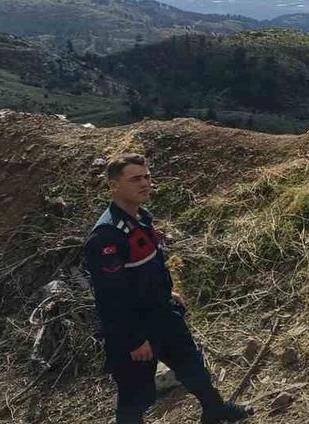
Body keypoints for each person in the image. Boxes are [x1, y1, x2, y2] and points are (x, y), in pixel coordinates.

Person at [84, 154, 253, 424]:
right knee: (135, 396)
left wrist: (167, 294)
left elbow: (147, 269)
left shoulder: (140, 218)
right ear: (114, 186)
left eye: (147, 177)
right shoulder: (106, 236)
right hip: (135, 328)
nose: (145, 183)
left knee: (193, 366)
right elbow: (110, 297)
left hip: (162, 314)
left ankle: (215, 410)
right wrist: (134, 339)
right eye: (135, 179)